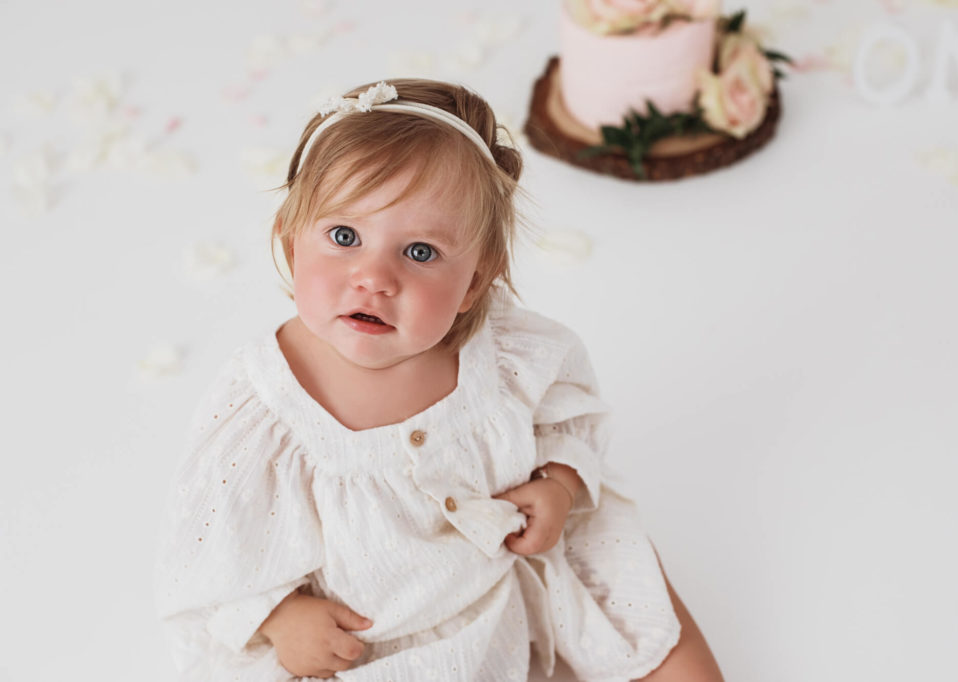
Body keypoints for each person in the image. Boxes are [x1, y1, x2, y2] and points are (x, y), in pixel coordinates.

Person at [154, 78, 724, 682]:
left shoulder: (502, 352)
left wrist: (558, 484)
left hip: (515, 567)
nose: (374, 278)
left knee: (647, 619)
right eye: (345, 237)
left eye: (420, 252)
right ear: (292, 244)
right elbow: (205, 548)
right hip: (369, 639)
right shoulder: (263, 409)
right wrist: (276, 615)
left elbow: (565, 415)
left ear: (474, 282)